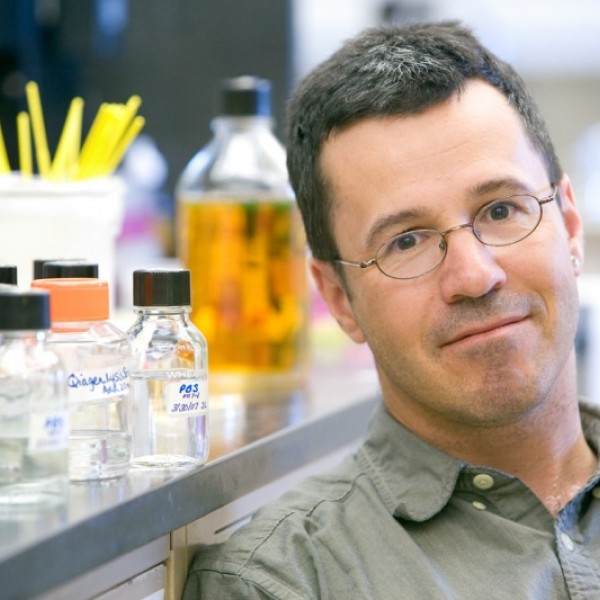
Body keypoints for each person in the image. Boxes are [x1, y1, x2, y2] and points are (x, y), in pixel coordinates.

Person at [184, 21, 600, 599]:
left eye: (502, 210)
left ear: (570, 224)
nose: (476, 276)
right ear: (337, 299)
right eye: (405, 242)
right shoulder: (286, 581)